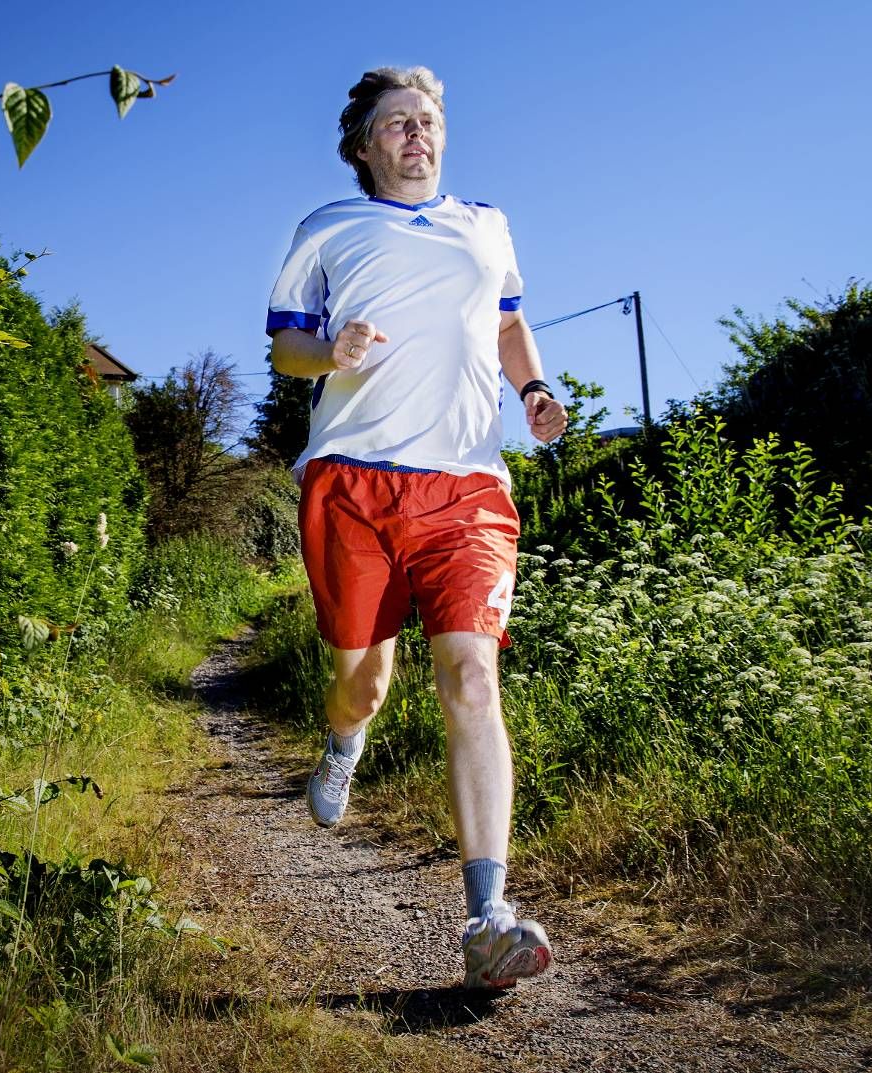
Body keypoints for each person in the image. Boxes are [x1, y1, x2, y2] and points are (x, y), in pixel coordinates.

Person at [265, 66, 568, 989]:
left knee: (472, 673)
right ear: (363, 146)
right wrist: (331, 350)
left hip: (466, 484)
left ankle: (488, 916)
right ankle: (343, 743)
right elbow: (285, 348)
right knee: (361, 685)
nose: (416, 133)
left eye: (427, 120)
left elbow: (508, 324)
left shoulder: (486, 225)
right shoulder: (327, 228)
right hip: (353, 481)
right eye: (396, 122)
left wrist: (534, 388)